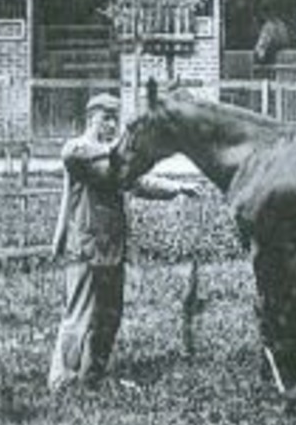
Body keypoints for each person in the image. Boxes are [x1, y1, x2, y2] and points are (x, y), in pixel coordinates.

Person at [47, 92, 199, 391]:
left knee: (108, 315)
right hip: (86, 248)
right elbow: (71, 153)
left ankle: (93, 376)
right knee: (79, 315)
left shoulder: (110, 158)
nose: (112, 125)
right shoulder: (81, 152)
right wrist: (117, 147)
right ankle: (62, 380)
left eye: (115, 119)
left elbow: (138, 182)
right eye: (107, 118)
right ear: (92, 119)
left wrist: (178, 187)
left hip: (113, 249)